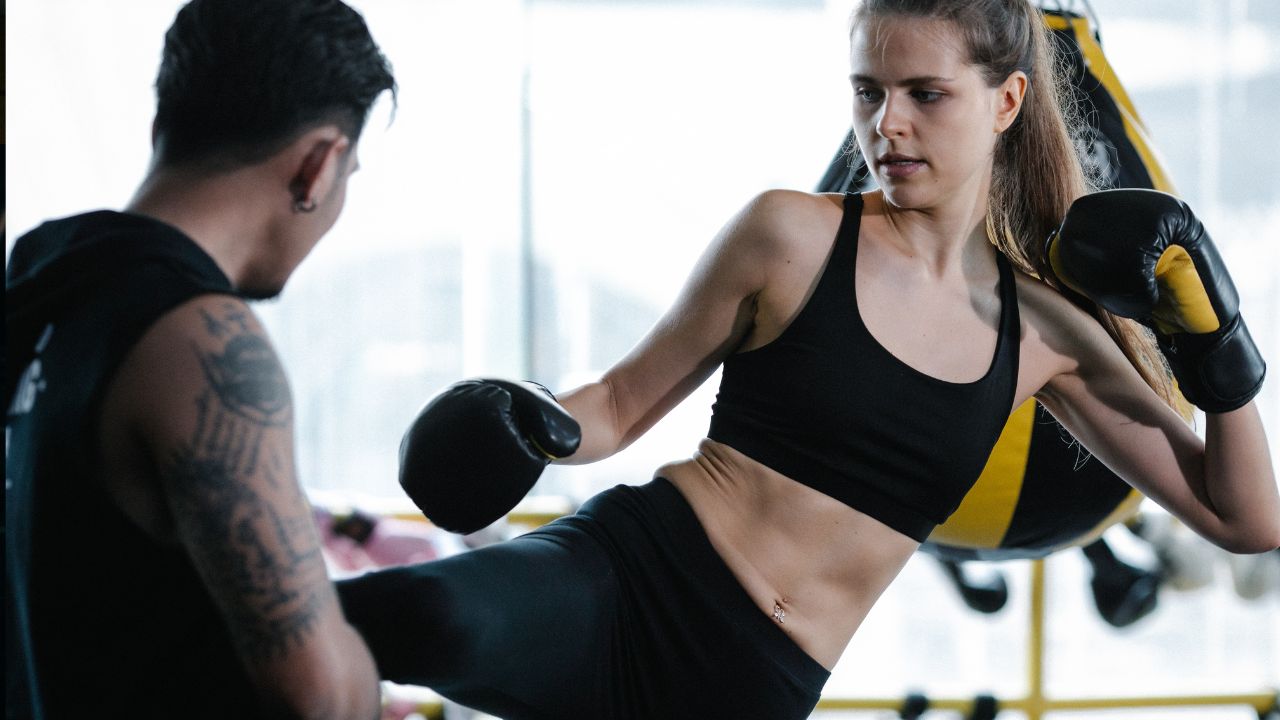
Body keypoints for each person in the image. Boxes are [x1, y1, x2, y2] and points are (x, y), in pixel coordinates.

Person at [338, 1, 1280, 718]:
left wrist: (1215, 344)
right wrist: (536, 415)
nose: (888, 126)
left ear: (1008, 100)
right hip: (625, 577)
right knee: (399, 621)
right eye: (868, 93)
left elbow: (1243, 518)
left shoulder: (1047, 336)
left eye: (925, 95)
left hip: (758, 685)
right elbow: (621, 402)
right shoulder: (791, 234)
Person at [4, 0, 396, 717]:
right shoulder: (201, 338)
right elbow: (322, 700)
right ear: (318, 165)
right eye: (351, 171)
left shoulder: (36, 284)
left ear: (164, 126)